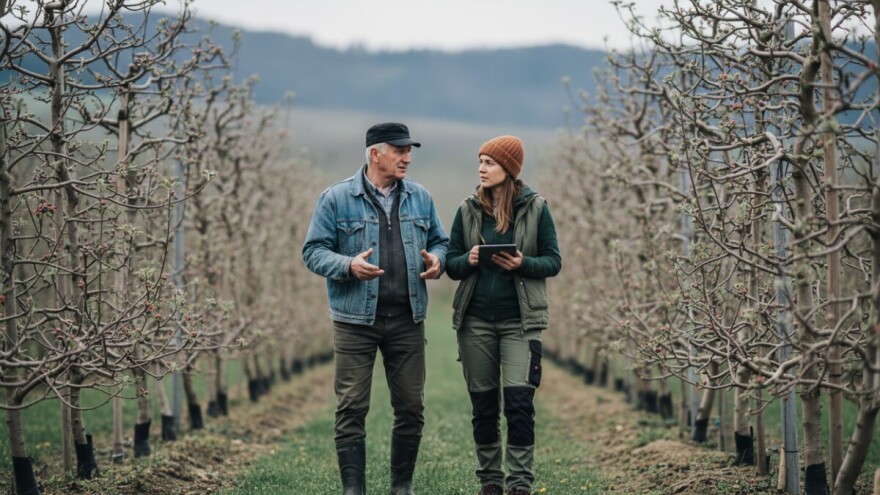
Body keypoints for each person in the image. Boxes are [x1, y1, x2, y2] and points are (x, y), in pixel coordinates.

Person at [302, 122, 448, 495]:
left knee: (411, 407)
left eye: (409, 151)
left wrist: (438, 261)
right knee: (351, 408)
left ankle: (402, 488)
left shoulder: (421, 197)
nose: (407, 158)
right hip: (355, 321)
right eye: (399, 151)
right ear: (374, 154)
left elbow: (441, 241)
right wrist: (348, 266)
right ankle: (354, 490)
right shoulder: (335, 199)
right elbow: (313, 252)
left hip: (407, 318)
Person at [445, 135, 561, 495]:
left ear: (508, 169)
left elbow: (553, 262)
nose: (481, 168)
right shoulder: (466, 210)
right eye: (479, 161)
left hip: (520, 323)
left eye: (489, 162)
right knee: (483, 406)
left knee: (519, 404)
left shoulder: (537, 209)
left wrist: (523, 263)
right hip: (475, 322)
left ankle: (520, 483)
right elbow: (451, 263)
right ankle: (491, 481)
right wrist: (471, 259)